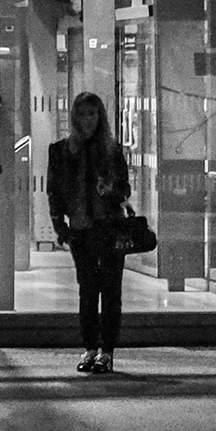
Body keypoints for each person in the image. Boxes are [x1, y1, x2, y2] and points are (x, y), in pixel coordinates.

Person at [47, 90, 131, 374]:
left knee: (110, 291)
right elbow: (54, 193)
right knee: (87, 290)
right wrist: (61, 229)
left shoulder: (112, 151)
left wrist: (110, 189)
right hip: (81, 230)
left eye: (92, 114)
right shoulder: (60, 151)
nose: (87, 120)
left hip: (109, 229)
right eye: (82, 114)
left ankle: (106, 352)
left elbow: (125, 191)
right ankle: (89, 348)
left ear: (100, 116)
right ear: (73, 117)